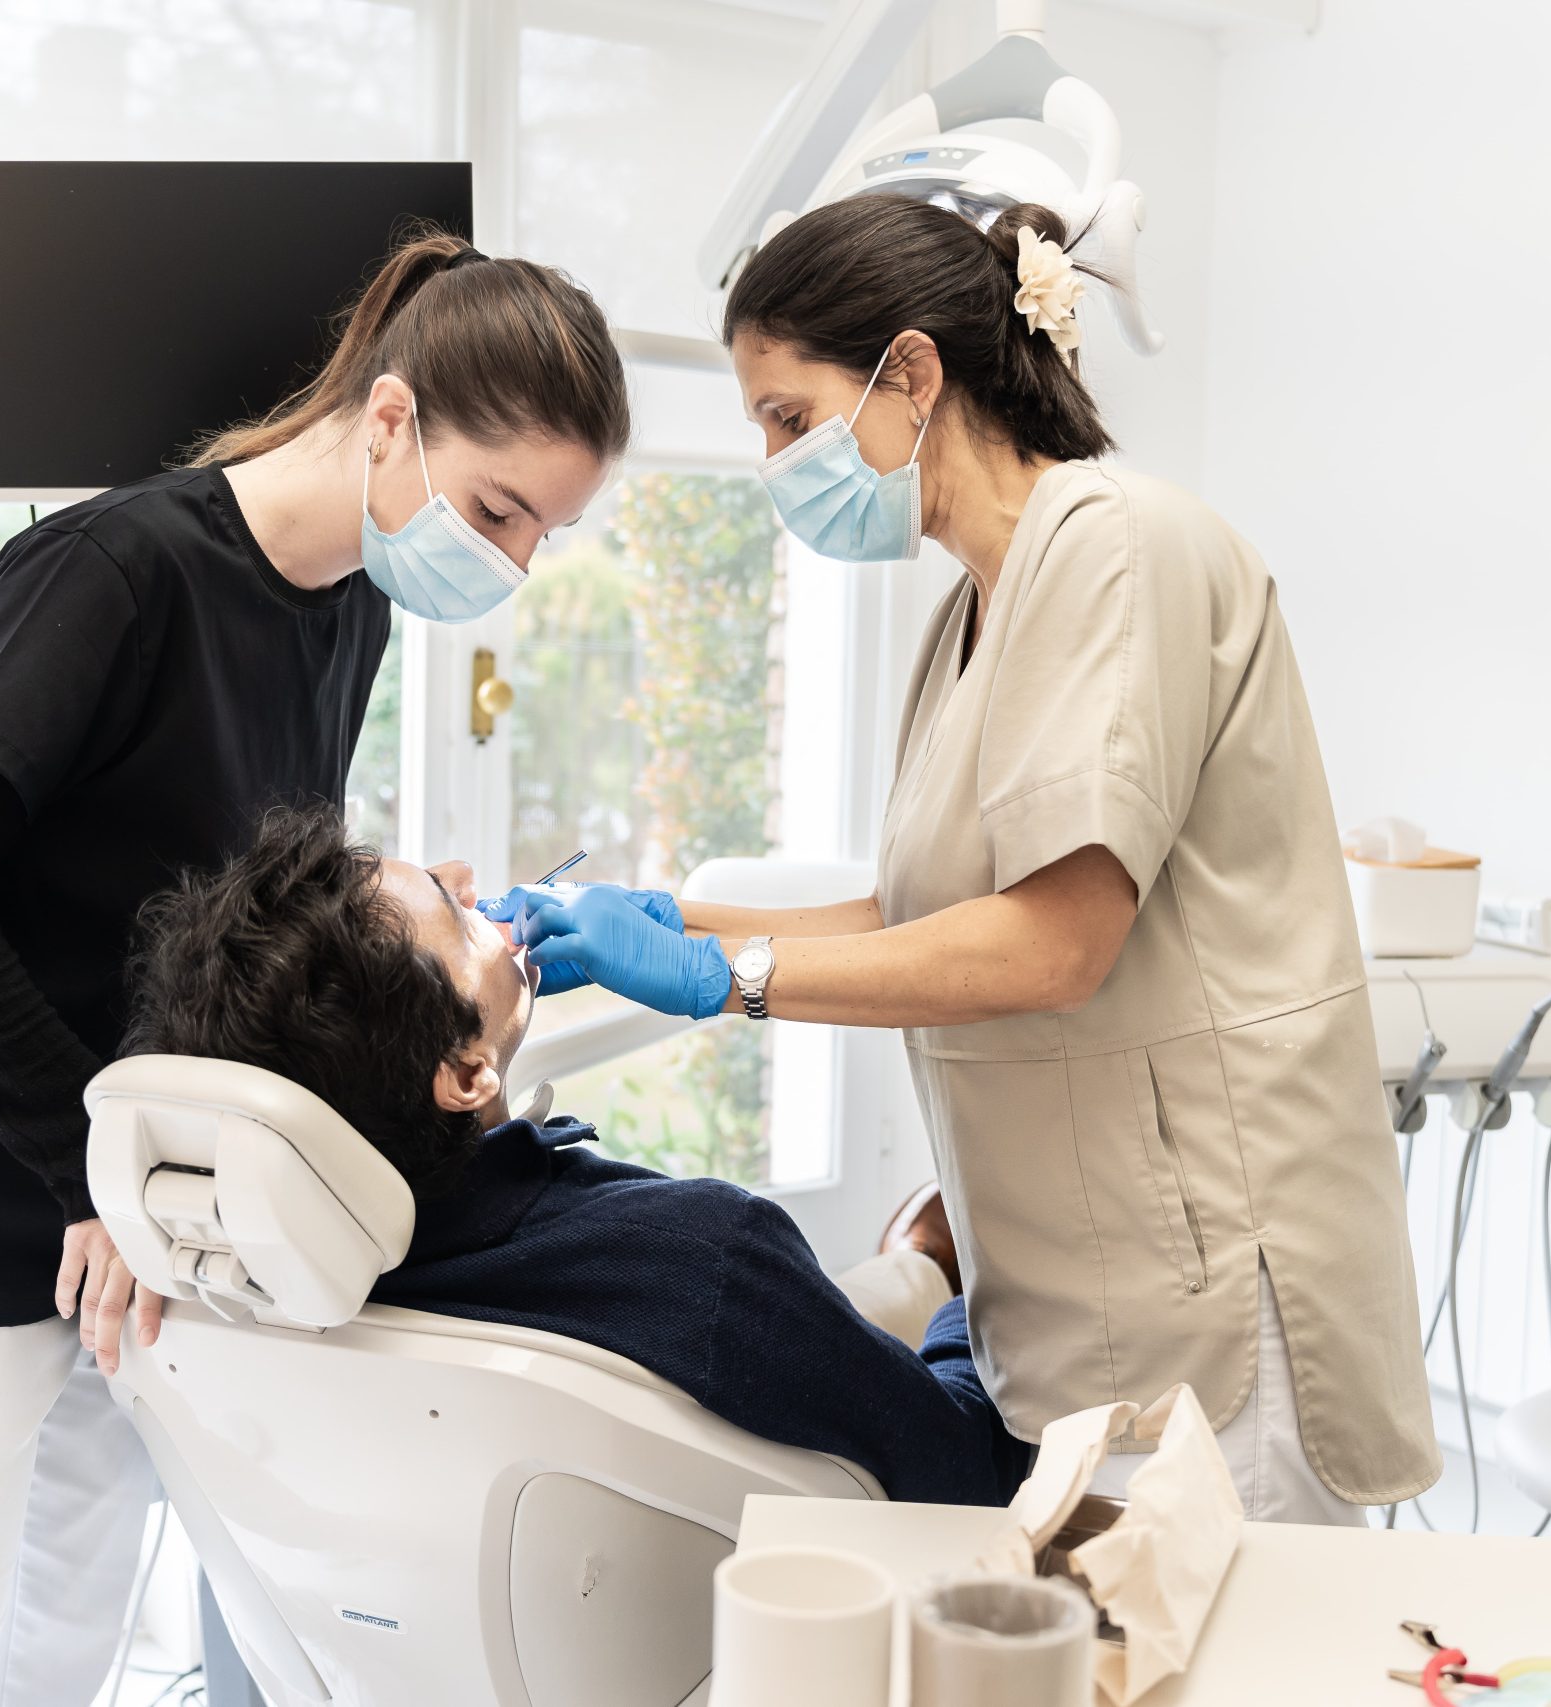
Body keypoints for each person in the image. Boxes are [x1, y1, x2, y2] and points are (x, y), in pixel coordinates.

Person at [0, 231, 628, 1706]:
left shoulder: (349, 602)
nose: (513, 562)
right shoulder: (114, 569)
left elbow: (222, 898)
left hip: (120, 1235)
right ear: (394, 415)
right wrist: (89, 1165)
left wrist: (399, 921)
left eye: (543, 530)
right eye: (498, 510)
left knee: (61, 1655)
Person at [502, 196, 1443, 1525]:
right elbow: (928, 908)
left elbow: (1054, 941)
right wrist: (670, 911)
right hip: (1070, 1290)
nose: (773, 461)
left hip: (1215, 1289)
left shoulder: (1120, 545)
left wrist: (728, 972)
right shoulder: (968, 610)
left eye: (787, 415)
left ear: (913, 374)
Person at [120, 803, 1032, 1508]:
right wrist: (980, 1298)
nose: (471, 882)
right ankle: (924, 1263)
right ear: (467, 1070)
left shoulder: (241, 1292)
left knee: (869, 1290)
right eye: (454, 908)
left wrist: (687, 917)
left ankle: (906, 1264)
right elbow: (965, 1473)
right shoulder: (710, 1254)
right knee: (918, 1285)